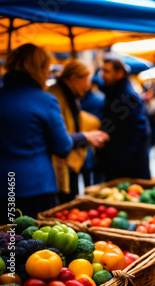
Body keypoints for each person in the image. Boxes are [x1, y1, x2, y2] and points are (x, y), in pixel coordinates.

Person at [0, 44, 108, 221]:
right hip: (36, 186)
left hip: (4, 186)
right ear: (39, 68)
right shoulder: (46, 100)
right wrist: (85, 137)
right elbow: (62, 146)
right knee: (35, 241)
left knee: (7, 242)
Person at [48, 59, 108, 203]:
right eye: (87, 80)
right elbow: (58, 137)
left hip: (68, 163)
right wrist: (85, 137)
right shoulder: (54, 97)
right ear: (74, 78)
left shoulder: (70, 95)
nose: (88, 86)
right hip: (58, 166)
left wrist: (90, 134)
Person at [98, 54, 151, 180]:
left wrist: (121, 164)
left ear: (120, 73)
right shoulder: (113, 91)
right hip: (116, 163)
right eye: (102, 70)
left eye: (107, 71)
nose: (102, 75)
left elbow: (138, 132)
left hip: (127, 169)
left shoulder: (128, 97)